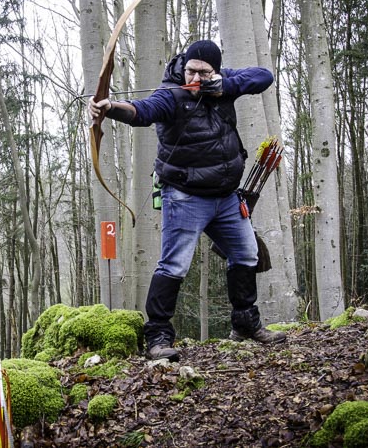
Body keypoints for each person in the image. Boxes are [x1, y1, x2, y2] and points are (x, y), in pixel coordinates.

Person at [88, 40, 286, 361]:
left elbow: (263, 76)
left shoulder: (222, 86)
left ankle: (245, 324)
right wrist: (110, 108)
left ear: (215, 72)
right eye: (191, 70)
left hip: (225, 197)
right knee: (175, 264)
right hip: (185, 196)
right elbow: (143, 111)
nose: (195, 78)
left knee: (246, 254)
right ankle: (158, 337)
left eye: (204, 73)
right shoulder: (172, 94)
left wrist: (224, 86)